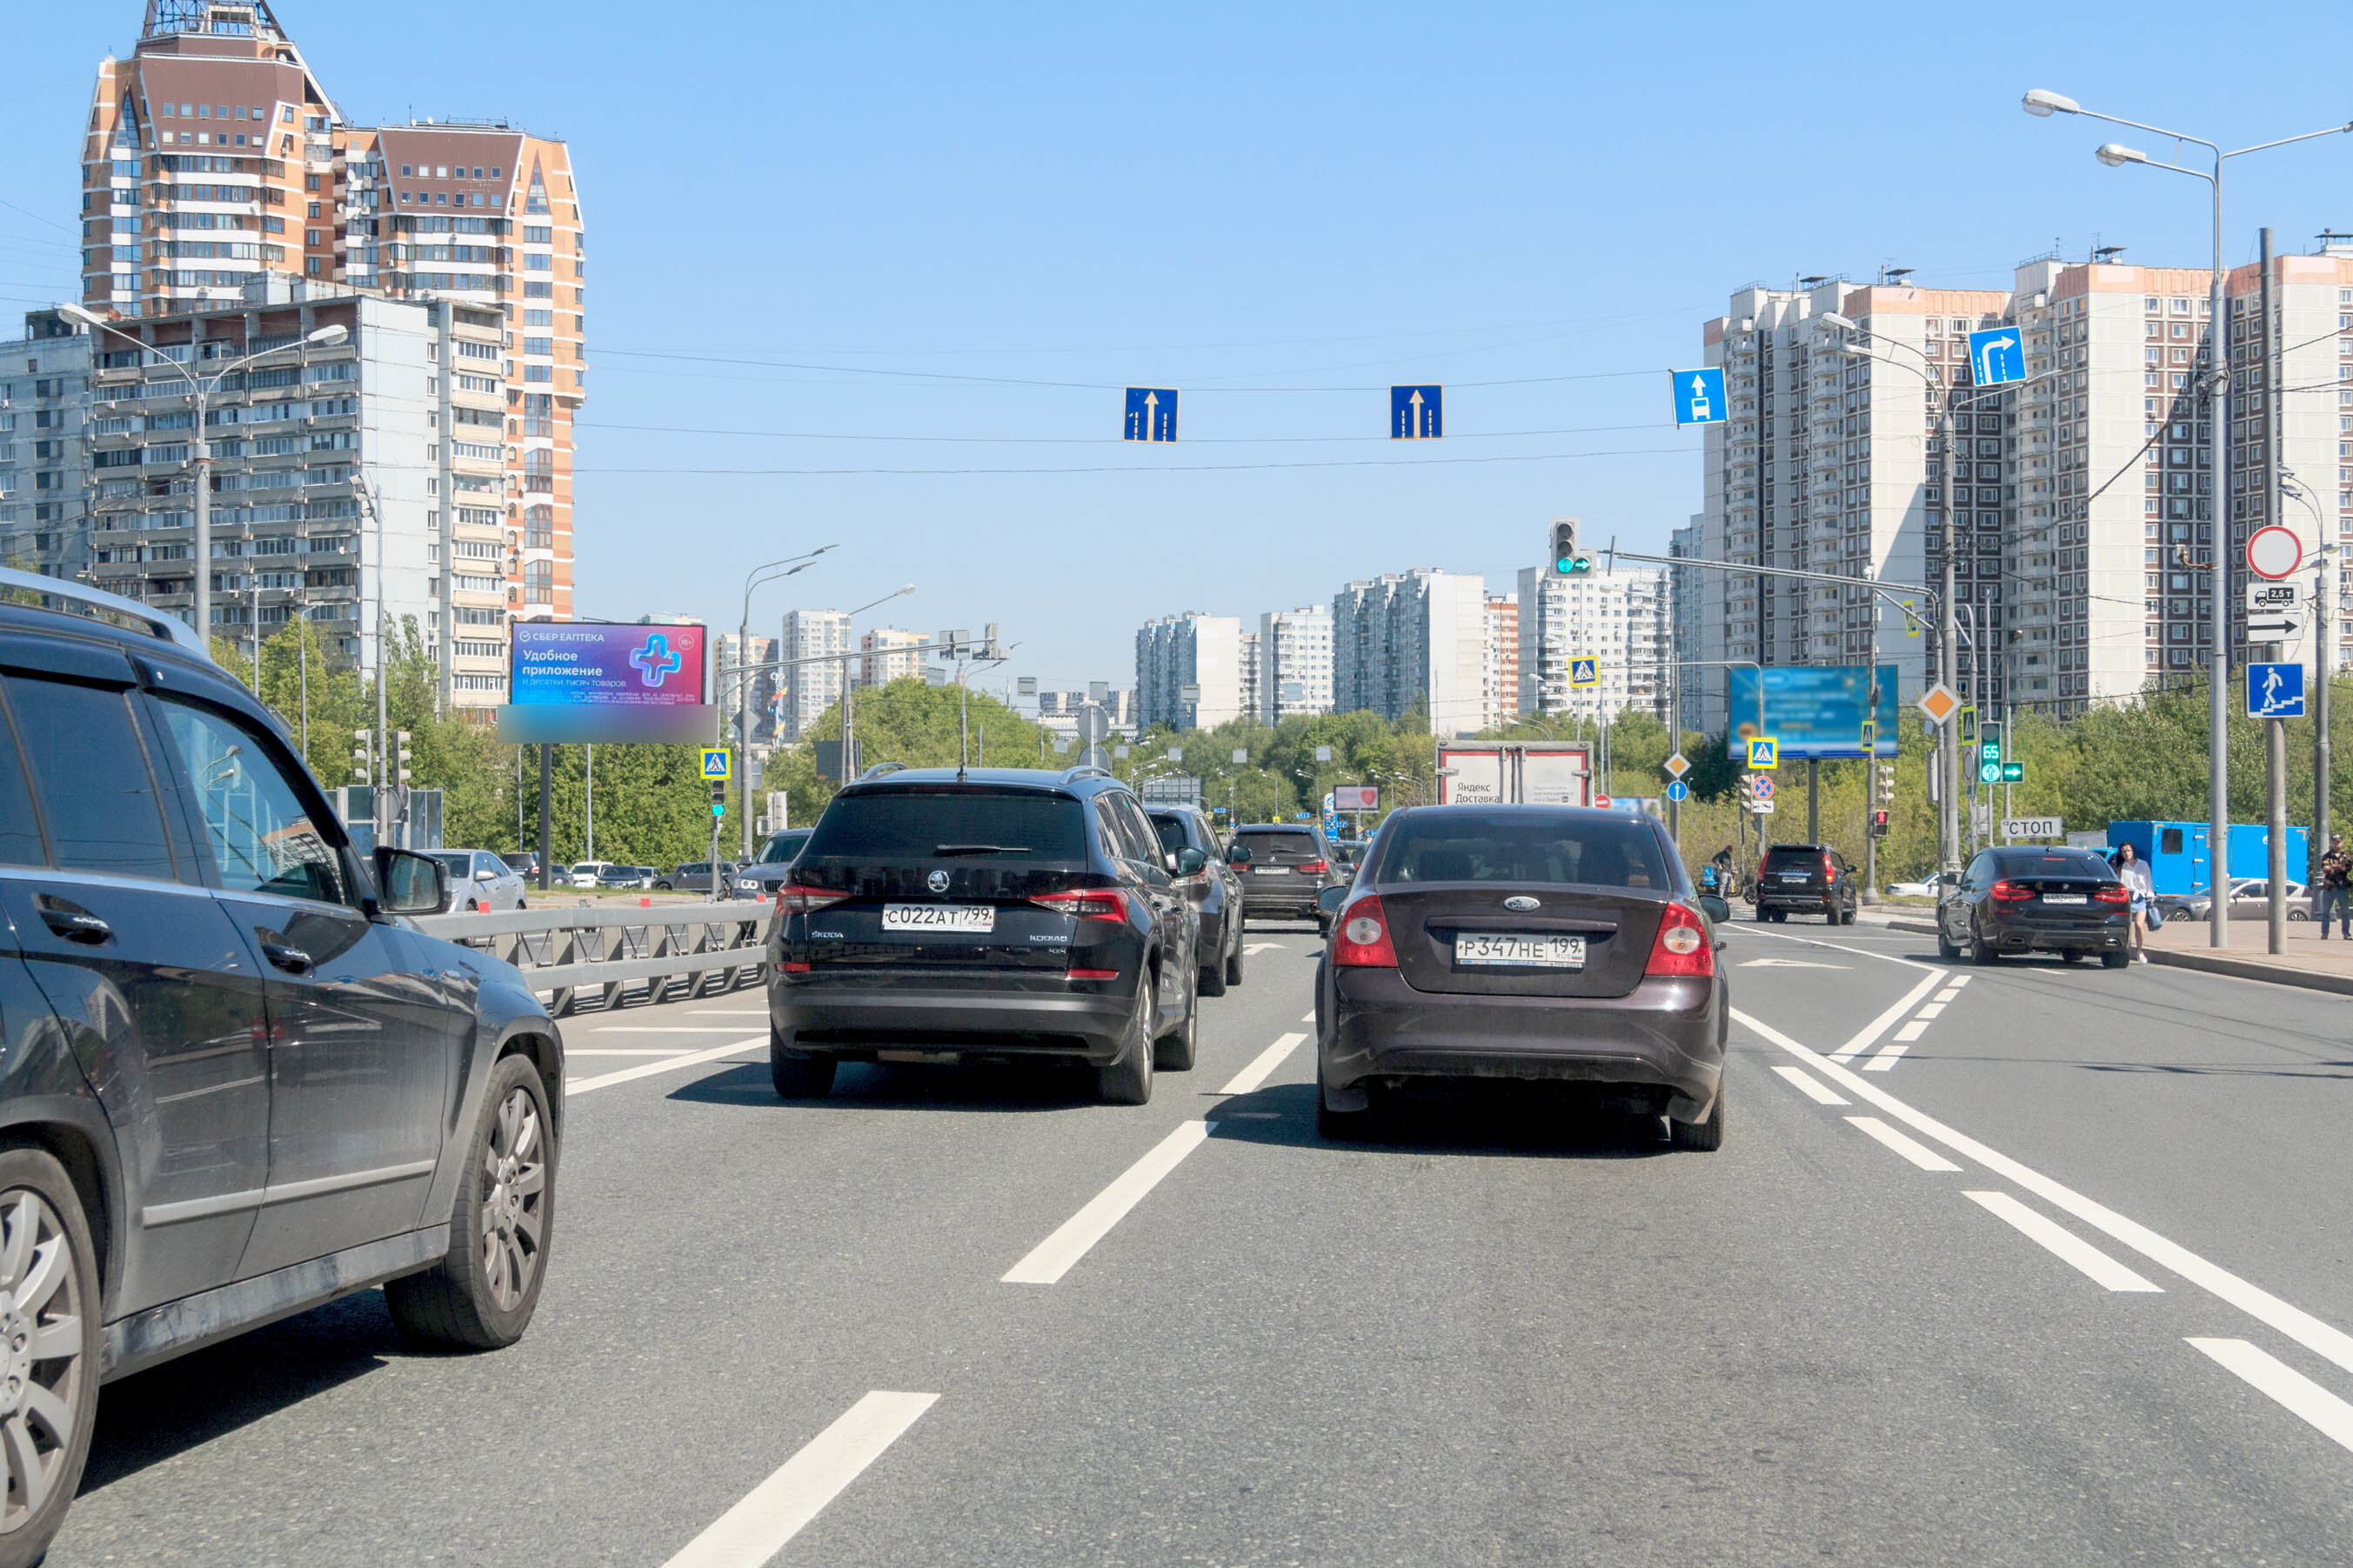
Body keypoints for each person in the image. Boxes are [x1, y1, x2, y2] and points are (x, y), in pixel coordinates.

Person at [2112, 842, 2156, 963]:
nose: (2127, 853)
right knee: (2127, 926)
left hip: (2140, 898)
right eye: (2124, 852)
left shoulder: (2143, 864)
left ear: (2133, 851)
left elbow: (2148, 880)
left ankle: (2139, 951)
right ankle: (2125, 949)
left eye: (2128, 850)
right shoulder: (2121, 867)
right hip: (2127, 898)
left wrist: (2150, 895)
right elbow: (2118, 883)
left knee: (2139, 925)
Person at [2316, 833, 2353, 938]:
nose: (2336, 844)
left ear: (2341, 843)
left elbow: (2347, 868)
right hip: (2329, 886)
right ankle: (2325, 933)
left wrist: (2332, 866)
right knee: (2325, 912)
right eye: (2334, 842)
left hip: (2342, 886)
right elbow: (2325, 869)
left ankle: (2346, 933)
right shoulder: (2326, 856)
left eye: (2338, 842)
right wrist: (2339, 866)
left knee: (2345, 912)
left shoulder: (2346, 855)